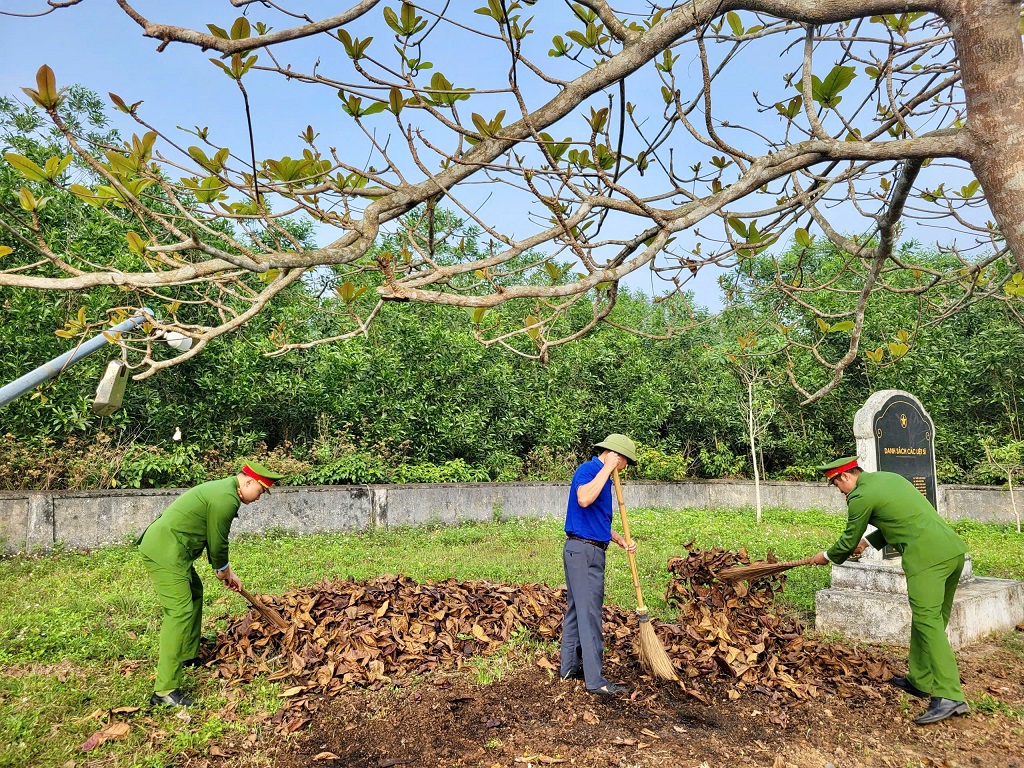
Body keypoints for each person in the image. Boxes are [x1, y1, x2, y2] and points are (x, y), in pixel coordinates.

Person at [812, 456, 969, 725]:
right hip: (951, 553)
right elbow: (899, 518)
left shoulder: (860, 495)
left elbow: (848, 537)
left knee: (928, 623)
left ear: (845, 477)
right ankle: (920, 680)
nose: (840, 492)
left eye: (837, 485)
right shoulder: (889, 479)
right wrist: (868, 542)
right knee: (929, 619)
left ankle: (949, 695)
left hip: (927, 559)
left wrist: (827, 555)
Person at [137, 462, 285, 707]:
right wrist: (222, 570)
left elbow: (212, 538)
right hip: (165, 550)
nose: (260, 497)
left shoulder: (224, 491)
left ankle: (187, 654)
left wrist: (226, 571)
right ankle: (164, 691)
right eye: (261, 491)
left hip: (174, 549)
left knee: (195, 593)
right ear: (248, 482)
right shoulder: (226, 498)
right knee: (179, 612)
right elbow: (218, 541)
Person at [560, 434, 639, 696]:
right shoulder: (590, 469)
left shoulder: (603, 476)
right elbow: (583, 498)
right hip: (583, 552)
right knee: (590, 613)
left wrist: (619, 540)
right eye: (626, 461)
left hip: (588, 548)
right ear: (617, 455)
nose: (625, 468)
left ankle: (570, 668)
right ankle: (596, 680)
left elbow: (596, 519)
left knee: (576, 610)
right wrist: (606, 468)